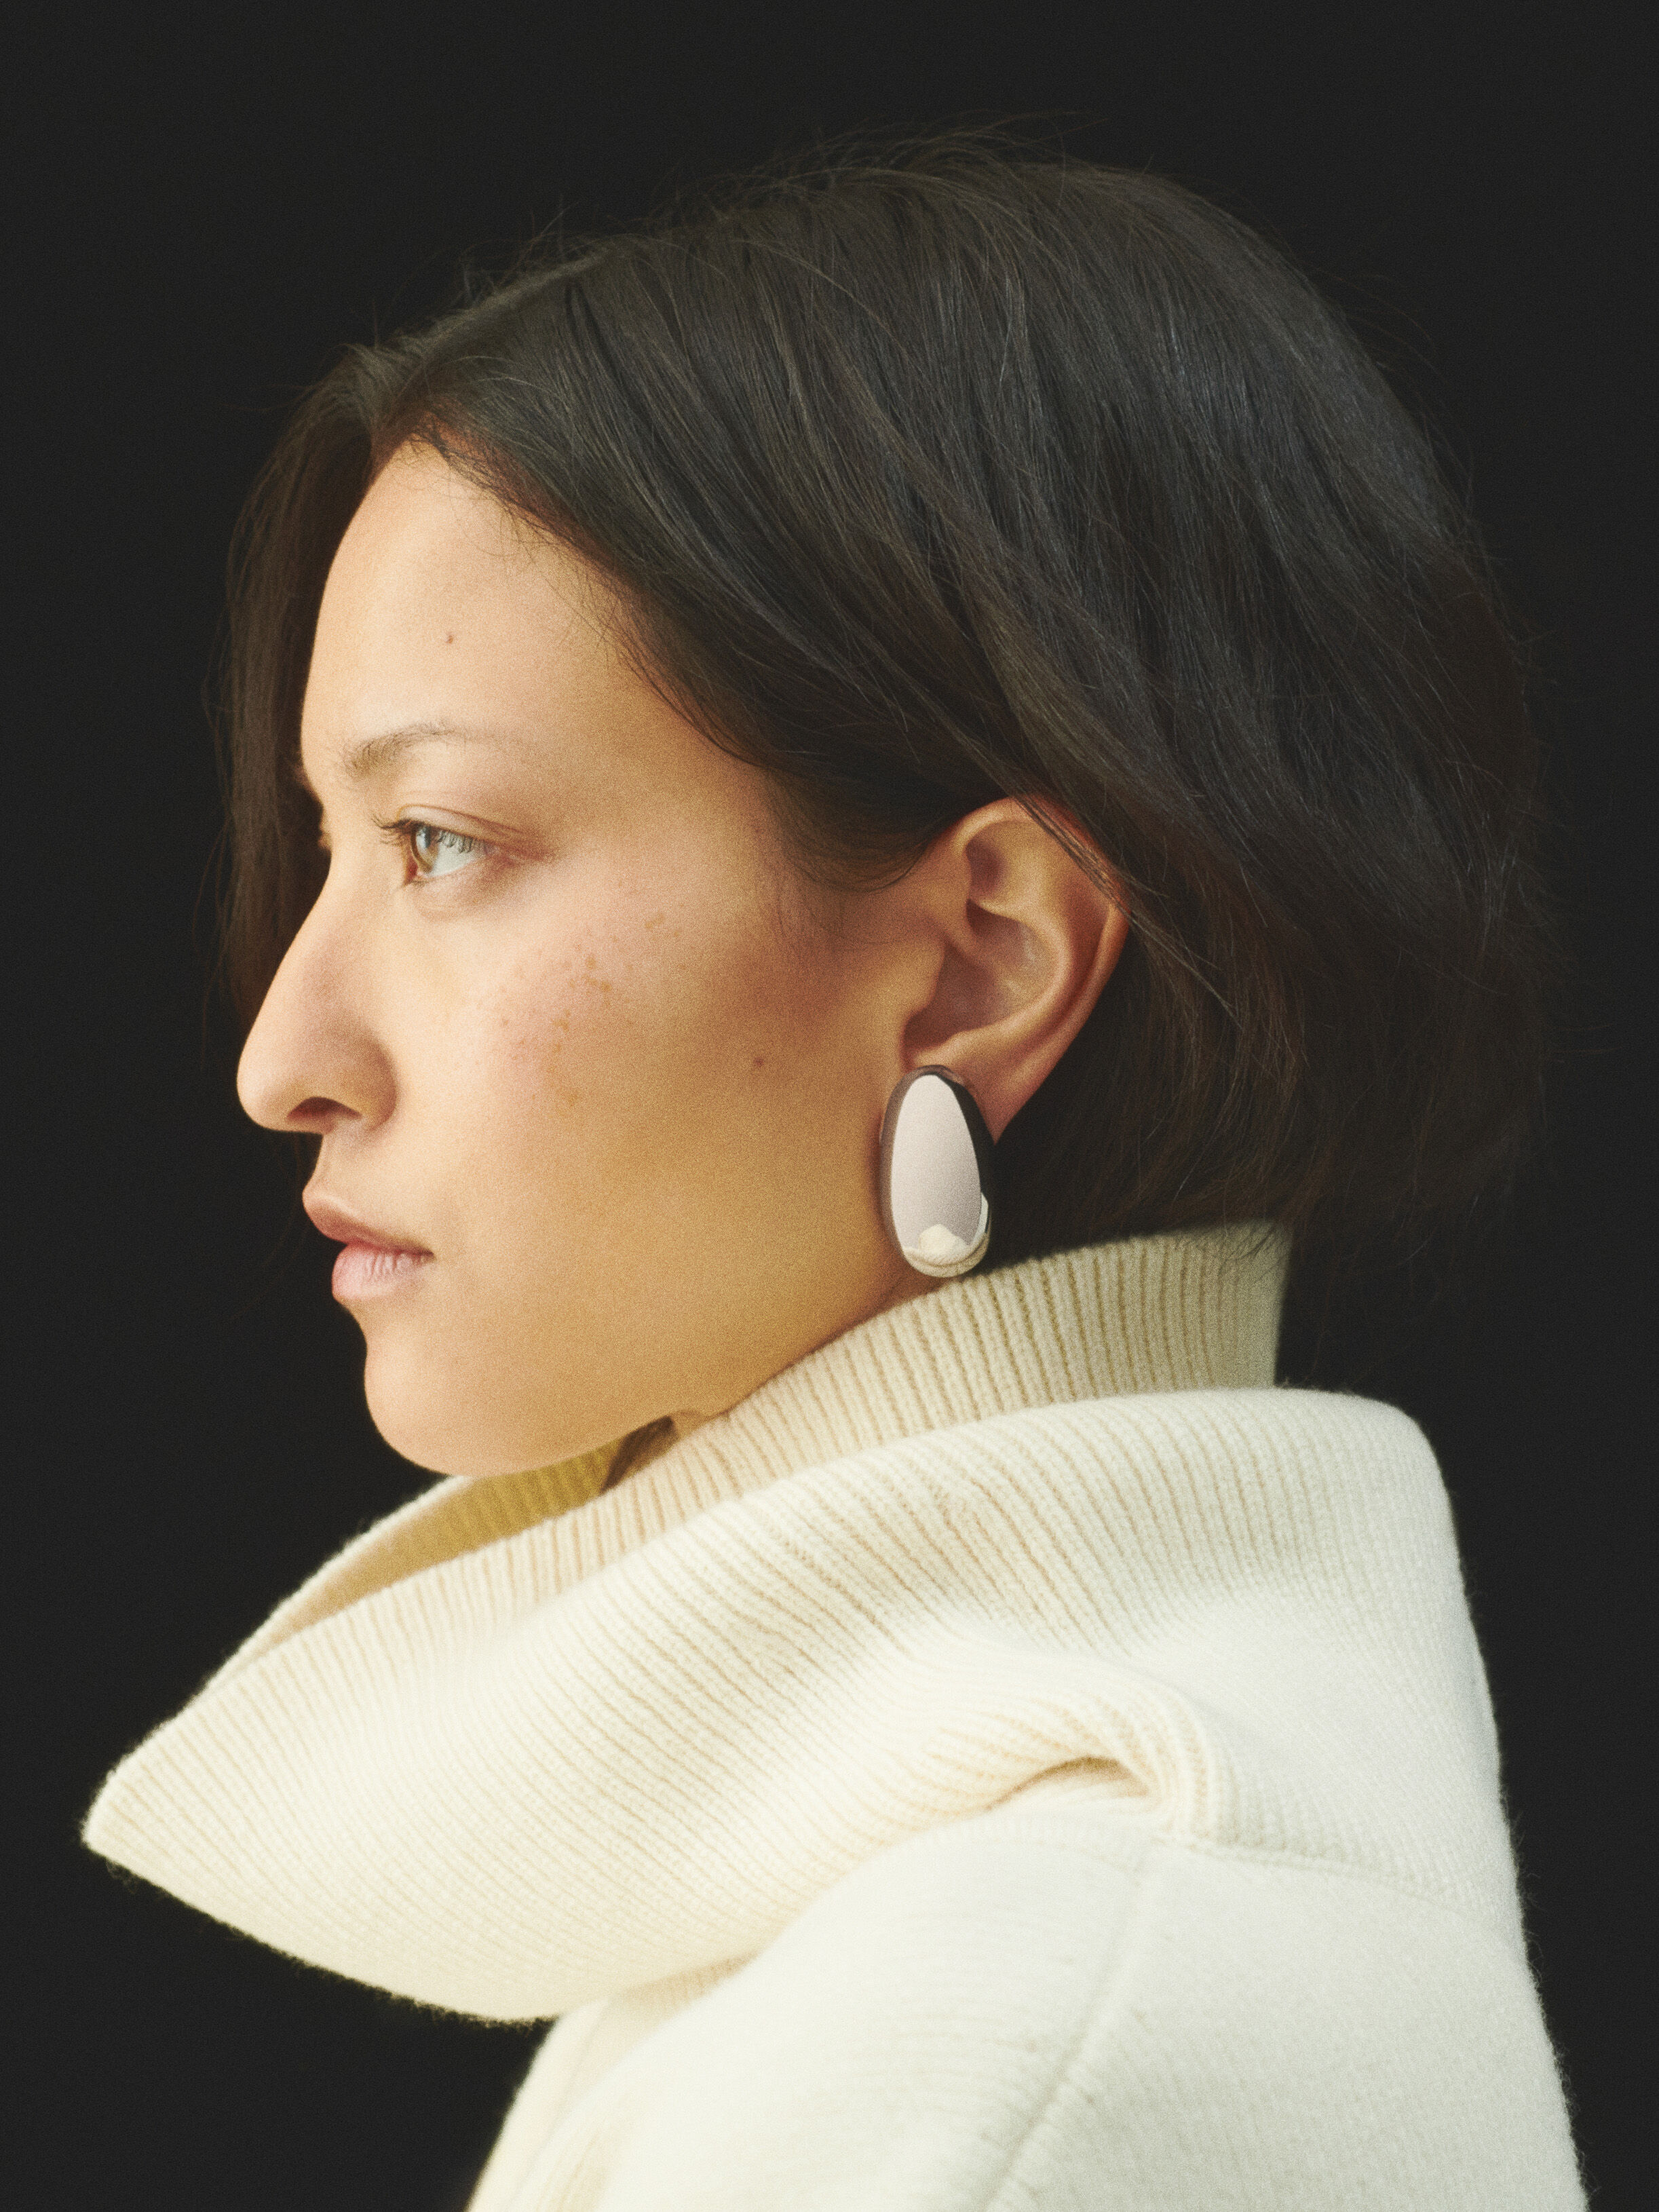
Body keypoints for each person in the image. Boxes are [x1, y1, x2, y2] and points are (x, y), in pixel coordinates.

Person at [84, 134, 1586, 2207]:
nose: (285, 1056)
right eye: (334, 844)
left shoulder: (1013, 2051)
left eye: (443, 842)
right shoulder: (965, 1912)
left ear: (982, 958)